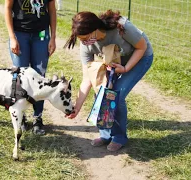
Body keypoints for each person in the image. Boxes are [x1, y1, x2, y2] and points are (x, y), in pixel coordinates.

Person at [64, 10, 153, 151]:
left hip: (140, 57)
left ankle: (119, 137)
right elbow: (87, 78)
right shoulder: (85, 45)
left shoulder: (122, 27)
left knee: (116, 95)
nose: (86, 43)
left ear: (95, 29)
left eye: (87, 38)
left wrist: (125, 69)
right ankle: (105, 134)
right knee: (101, 92)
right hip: (114, 61)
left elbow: (142, 47)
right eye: (82, 40)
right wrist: (77, 107)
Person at [5, 0, 57, 135]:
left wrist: (53, 37)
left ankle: (37, 118)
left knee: (39, 78)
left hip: (41, 34)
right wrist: (12, 37)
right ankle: (21, 117)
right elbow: (7, 8)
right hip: (20, 34)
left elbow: (52, 10)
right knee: (20, 78)